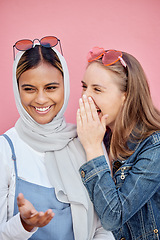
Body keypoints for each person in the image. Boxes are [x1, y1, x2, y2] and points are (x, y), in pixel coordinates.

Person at [0, 40, 115, 240]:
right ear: (17, 90)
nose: (41, 99)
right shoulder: (5, 149)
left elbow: (104, 226)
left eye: (51, 87)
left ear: (65, 86)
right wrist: (24, 225)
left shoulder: (87, 141)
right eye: (29, 89)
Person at [77, 46, 160, 240]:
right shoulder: (101, 138)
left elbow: (114, 217)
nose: (85, 96)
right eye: (84, 87)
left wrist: (92, 147)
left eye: (97, 89)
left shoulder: (154, 146)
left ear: (126, 96)